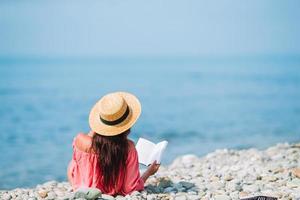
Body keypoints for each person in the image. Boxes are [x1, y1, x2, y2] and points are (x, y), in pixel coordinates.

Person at [67, 92, 160, 196]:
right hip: (110, 192)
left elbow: (89, 138)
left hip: (80, 187)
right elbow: (129, 189)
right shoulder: (128, 148)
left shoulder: (80, 140)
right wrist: (148, 173)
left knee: (73, 163)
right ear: (127, 124)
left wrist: (99, 127)